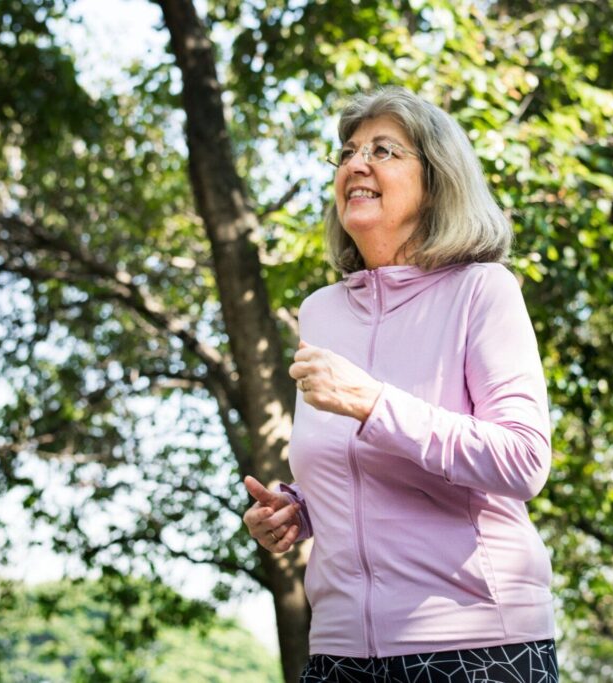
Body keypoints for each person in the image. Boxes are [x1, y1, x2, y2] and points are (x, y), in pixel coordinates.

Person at [242, 86, 558, 683]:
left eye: (384, 150)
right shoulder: (320, 313)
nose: (356, 164)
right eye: (348, 152)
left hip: (474, 644)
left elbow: (523, 460)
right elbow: (357, 469)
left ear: (435, 181)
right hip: (339, 652)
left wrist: (373, 402)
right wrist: (298, 510)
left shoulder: (482, 290)